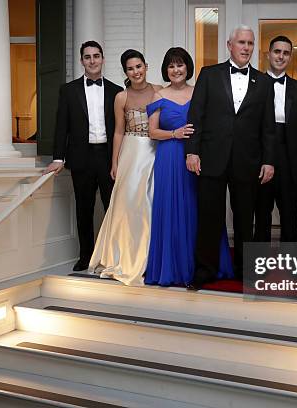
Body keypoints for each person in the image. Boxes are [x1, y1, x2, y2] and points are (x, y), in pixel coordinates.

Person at [186, 25, 276, 289]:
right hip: (211, 158)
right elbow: (196, 116)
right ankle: (204, 272)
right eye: (241, 42)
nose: (246, 47)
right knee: (209, 218)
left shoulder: (264, 82)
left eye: (250, 43)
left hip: (247, 161)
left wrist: (268, 160)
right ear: (229, 45)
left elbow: (268, 127)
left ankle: (246, 272)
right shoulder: (209, 75)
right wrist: (192, 150)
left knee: (245, 219)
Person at [145, 47, 234, 286]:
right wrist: (174, 133)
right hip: (169, 157)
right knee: (172, 209)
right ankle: (173, 267)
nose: (176, 70)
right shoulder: (158, 96)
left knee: (201, 209)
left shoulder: (200, 91)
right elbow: (151, 131)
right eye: (171, 66)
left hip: (198, 157)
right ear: (166, 70)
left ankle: (204, 266)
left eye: (180, 65)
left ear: (188, 67)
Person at [45, 41, 122, 272]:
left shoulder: (117, 91)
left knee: (113, 209)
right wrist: (58, 158)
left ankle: (112, 257)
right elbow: (62, 127)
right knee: (84, 210)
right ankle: (86, 256)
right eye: (87, 57)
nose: (92, 60)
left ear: (102, 59)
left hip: (109, 157)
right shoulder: (68, 90)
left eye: (96, 56)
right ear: (81, 61)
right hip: (81, 158)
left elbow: (122, 128)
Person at [89, 49, 161, 286]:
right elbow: (119, 131)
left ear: (146, 66)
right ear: (125, 72)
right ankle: (125, 257)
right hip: (131, 152)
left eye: (139, 66)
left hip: (155, 151)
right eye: (131, 68)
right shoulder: (121, 97)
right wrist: (115, 161)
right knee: (128, 204)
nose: (136, 72)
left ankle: (151, 259)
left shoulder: (160, 91)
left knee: (151, 204)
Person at [254, 36, 297, 243]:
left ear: (290, 57)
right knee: (262, 212)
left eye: (286, 53)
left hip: (289, 155)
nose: (281, 56)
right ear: (268, 54)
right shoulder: (254, 84)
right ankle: (259, 266)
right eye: (277, 51)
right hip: (261, 155)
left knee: (289, 212)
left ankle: (289, 266)